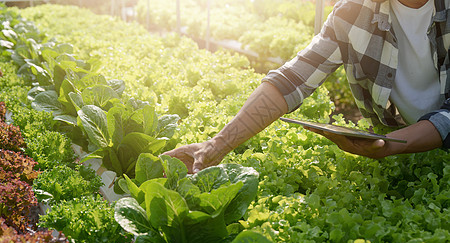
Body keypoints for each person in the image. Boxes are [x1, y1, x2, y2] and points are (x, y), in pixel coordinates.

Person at [164, 0, 450, 174]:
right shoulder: (355, 11)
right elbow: (294, 77)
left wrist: (393, 146)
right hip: (407, 146)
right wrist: (215, 146)